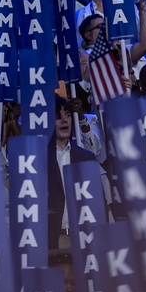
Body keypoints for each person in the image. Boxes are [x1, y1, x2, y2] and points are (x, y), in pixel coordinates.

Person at [47, 98, 103, 250]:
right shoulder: (39, 160)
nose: (64, 119)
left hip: (84, 239)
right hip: (53, 240)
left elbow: (97, 204)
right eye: (58, 116)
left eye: (67, 114)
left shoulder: (86, 158)